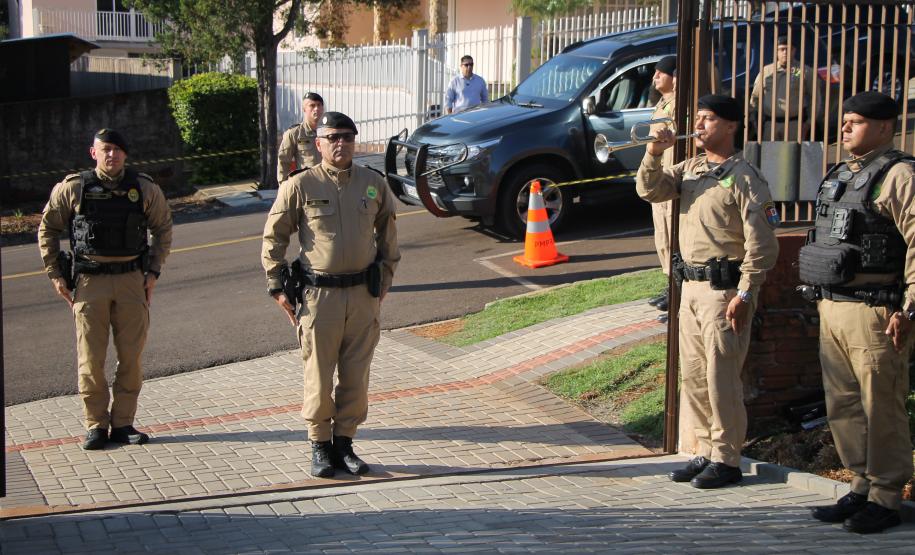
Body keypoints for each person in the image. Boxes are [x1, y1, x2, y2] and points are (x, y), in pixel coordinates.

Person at [636, 94, 780, 489]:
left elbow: (763, 244)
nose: (699, 126)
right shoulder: (690, 168)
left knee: (721, 379)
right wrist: (652, 152)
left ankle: (727, 458)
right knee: (695, 376)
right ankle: (702, 450)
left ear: (731, 126)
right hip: (691, 289)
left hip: (723, 291)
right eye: (697, 118)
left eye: (709, 119)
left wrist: (746, 292)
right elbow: (650, 190)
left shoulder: (746, 176)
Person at [262, 111, 401, 478]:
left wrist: (384, 281)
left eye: (347, 137)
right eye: (332, 138)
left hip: (362, 295)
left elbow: (388, 231)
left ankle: (344, 444)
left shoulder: (373, 183)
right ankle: (320, 445)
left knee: (356, 376)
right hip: (318, 297)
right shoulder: (301, 185)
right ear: (318, 144)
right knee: (319, 376)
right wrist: (277, 285)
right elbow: (274, 237)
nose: (341, 143)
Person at [800, 91, 915, 535]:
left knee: (880, 405)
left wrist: (908, 308)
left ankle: (886, 495)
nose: (845, 128)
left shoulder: (899, 174)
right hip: (833, 306)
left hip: (876, 311)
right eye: (844, 121)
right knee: (844, 404)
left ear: (885, 126)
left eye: (856, 122)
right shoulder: (842, 173)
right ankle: (861, 483)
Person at [38, 128, 173, 450]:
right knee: (91, 359)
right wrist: (55, 273)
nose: (111, 155)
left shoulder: (143, 188)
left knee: (131, 357)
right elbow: (48, 228)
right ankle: (95, 425)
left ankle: (124, 423)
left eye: (117, 150)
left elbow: (163, 227)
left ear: (125, 154)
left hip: (131, 280)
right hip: (89, 282)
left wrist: (153, 271)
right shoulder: (74, 188)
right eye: (105, 149)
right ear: (93, 152)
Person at [646, 55, 677, 322]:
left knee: (672, 233)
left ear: (674, 78)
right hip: (659, 175)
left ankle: (678, 291)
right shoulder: (662, 102)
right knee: (662, 235)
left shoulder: (679, 104)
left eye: (660, 73)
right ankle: (670, 285)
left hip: (670, 176)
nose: (655, 77)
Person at [748, 35, 821, 141]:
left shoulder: (804, 71)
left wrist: (809, 123)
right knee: (770, 155)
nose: (785, 52)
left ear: (794, 51)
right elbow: (755, 97)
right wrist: (754, 119)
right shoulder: (767, 71)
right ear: (776, 52)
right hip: (770, 124)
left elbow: (815, 98)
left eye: (789, 49)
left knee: (792, 155)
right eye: (782, 49)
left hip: (794, 124)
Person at [277, 92, 325, 183]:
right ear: (304, 109)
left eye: (319, 105)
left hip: (328, 183)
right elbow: (283, 161)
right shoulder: (294, 133)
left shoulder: (329, 132)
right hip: (307, 184)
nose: (316, 109)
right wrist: (283, 186)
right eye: (312, 105)